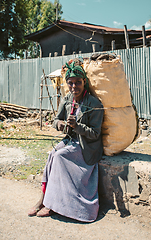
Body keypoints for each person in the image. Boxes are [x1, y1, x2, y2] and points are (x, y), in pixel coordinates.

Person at [28, 59, 104, 222]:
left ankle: (52, 205)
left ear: (84, 82)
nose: (74, 87)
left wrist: (77, 127)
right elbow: (56, 120)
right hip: (71, 140)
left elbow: (95, 134)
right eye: (70, 83)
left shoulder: (94, 104)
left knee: (59, 157)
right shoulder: (68, 98)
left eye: (78, 82)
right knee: (52, 154)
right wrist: (61, 124)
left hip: (87, 146)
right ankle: (42, 200)